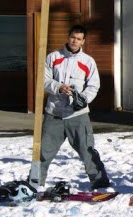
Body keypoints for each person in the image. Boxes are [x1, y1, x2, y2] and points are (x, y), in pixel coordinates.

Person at [29, 24, 109, 189]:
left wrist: (83, 99)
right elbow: (43, 81)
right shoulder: (53, 57)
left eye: (78, 39)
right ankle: (35, 182)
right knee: (43, 151)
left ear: (83, 42)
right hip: (54, 114)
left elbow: (94, 86)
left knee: (87, 151)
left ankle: (100, 184)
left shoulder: (88, 61)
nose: (74, 41)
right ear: (68, 37)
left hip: (77, 116)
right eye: (73, 37)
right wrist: (58, 87)